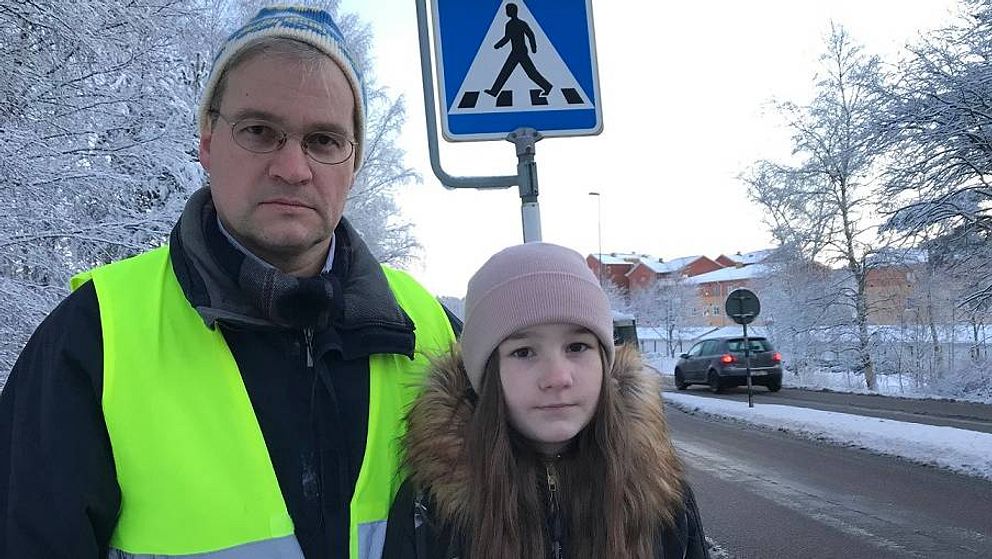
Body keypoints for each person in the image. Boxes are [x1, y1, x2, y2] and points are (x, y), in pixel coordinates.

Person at [0, 6, 457, 559]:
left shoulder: (431, 333)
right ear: (208, 142)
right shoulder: (95, 338)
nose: (293, 167)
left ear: (352, 161)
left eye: (323, 140)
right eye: (260, 132)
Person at [382, 243, 709, 558]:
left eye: (577, 347)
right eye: (523, 352)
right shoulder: (432, 508)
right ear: (486, 374)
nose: (557, 377)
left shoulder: (661, 497)